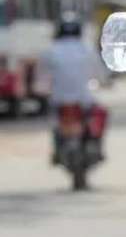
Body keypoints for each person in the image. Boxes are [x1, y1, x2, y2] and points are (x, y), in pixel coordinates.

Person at [37, 11, 108, 163]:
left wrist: (41, 90)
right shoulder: (87, 49)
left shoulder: (50, 51)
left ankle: (56, 150)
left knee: (54, 122)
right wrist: (105, 82)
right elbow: (101, 74)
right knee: (101, 114)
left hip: (59, 100)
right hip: (83, 100)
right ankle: (97, 145)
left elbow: (41, 79)